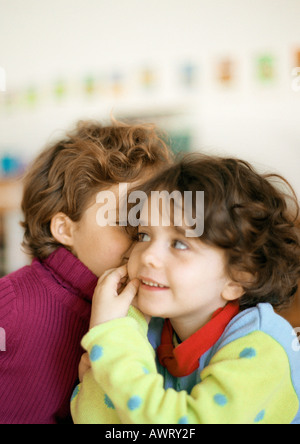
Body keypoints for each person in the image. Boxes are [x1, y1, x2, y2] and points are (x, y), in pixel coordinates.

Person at [71, 153, 300, 424]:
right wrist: (121, 334)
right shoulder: (149, 329)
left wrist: (111, 340)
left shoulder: (263, 347)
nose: (147, 256)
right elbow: (91, 419)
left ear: (240, 277)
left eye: (179, 243)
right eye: (144, 235)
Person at [0, 119, 172, 424]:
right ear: (65, 229)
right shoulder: (13, 304)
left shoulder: (148, 305)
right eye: (129, 222)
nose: (147, 240)